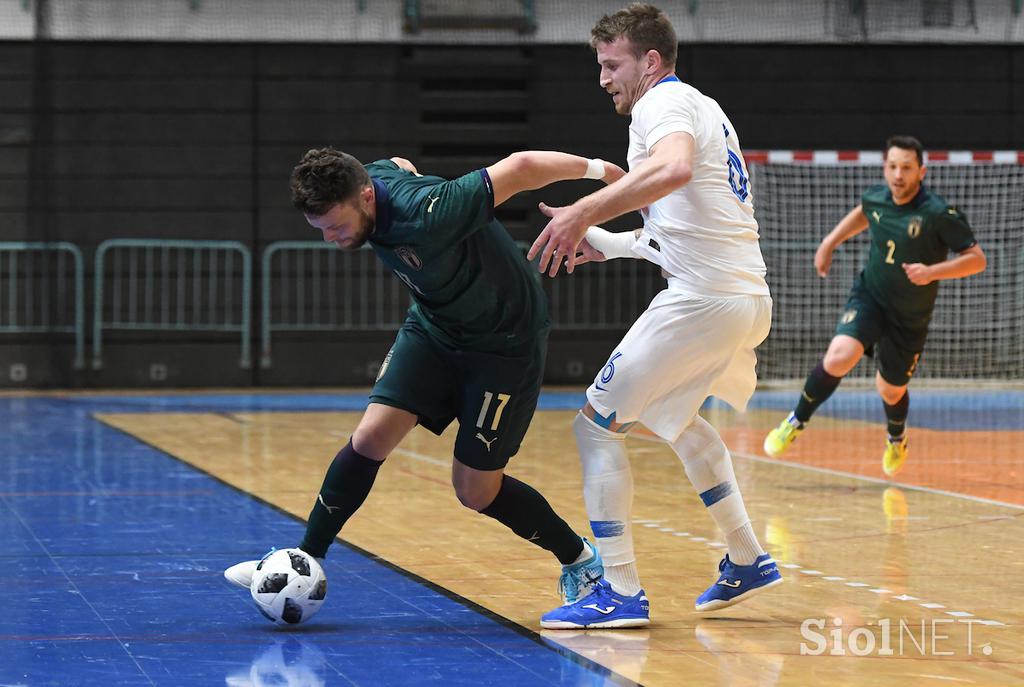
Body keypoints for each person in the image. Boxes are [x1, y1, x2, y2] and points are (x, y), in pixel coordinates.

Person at [224, 146, 629, 622]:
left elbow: (520, 168)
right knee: (372, 435)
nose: (331, 239)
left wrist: (605, 174)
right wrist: (406, 172)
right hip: (435, 327)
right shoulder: (368, 182)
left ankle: (580, 560)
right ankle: (303, 559)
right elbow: (398, 164)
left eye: (336, 226)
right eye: (322, 231)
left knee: (475, 489)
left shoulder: (430, 212)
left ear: (366, 198)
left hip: (503, 343)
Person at [531, 3, 781, 630]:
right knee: (680, 421)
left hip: (703, 300)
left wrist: (582, 212)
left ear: (649, 61)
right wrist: (609, 243)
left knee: (594, 427)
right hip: (742, 300)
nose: (602, 78)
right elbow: (681, 225)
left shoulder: (660, 105)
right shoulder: (702, 105)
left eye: (611, 64)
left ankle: (619, 592)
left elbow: (669, 172)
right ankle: (747, 556)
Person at [763, 135, 986, 476]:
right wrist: (829, 242)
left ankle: (896, 439)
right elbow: (865, 213)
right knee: (839, 355)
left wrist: (931, 272)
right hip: (871, 296)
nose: (898, 175)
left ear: (921, 171)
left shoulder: (939, 214)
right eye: (892, 166)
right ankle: (795, 421)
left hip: (909, 316)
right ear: (885, 167)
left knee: (890, 389)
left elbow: (977, 260)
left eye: (907, 168)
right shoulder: (877, 198)